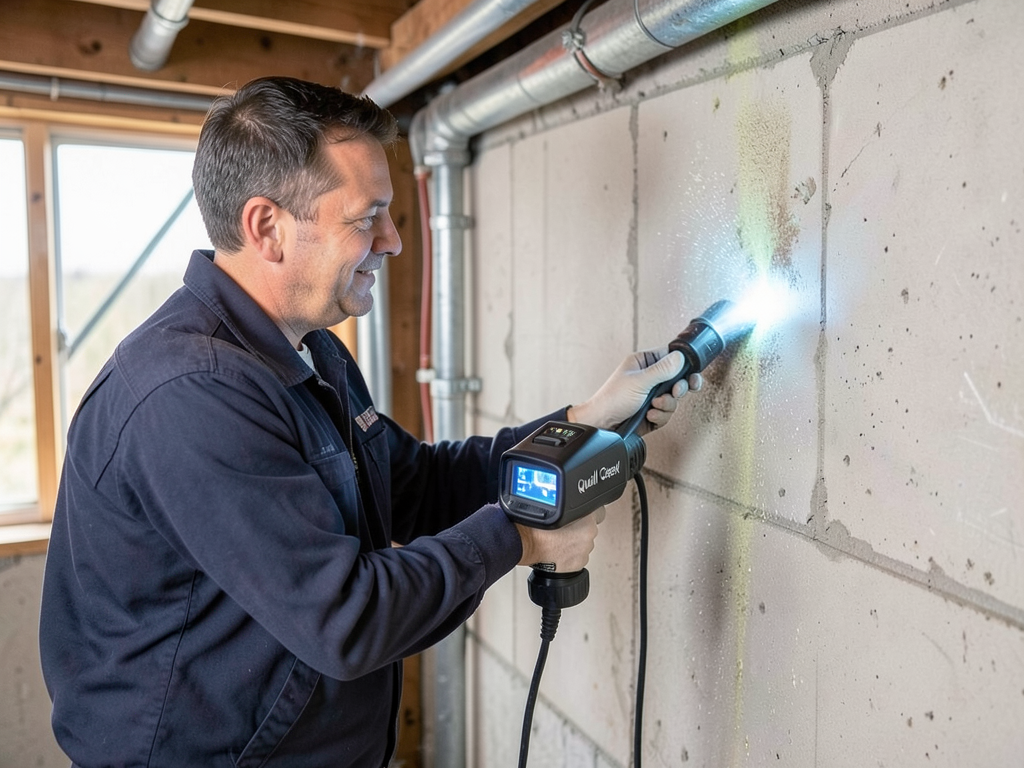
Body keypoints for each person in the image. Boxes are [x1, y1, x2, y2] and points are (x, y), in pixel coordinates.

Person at [39, 76, 700, 767]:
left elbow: (413, 485)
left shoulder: (307, 351)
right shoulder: (192, 395)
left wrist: (583, 421)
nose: (392, 241)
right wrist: (523, 539)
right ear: (267, 227)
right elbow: (348, 618)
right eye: (367, 217)